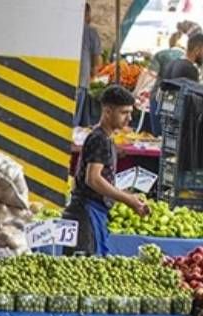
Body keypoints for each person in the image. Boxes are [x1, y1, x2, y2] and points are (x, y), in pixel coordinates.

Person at [63, 85, 150, 256]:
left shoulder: (104, 137)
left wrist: (127, 195)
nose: (129, 118)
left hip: (90, 211)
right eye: (124, 113)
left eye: (130, 113)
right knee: (84, 268)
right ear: (108, 111)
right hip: (86, 214)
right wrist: (127, 199)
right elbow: (93, 179)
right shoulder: (100, 139)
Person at [74, 2, 103, 126]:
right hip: (81, 80)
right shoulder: (90, 32)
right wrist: (93, 75)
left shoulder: (64, 30)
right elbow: (97, 60)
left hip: (61, 77)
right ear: (86, 14)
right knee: (74, 122)